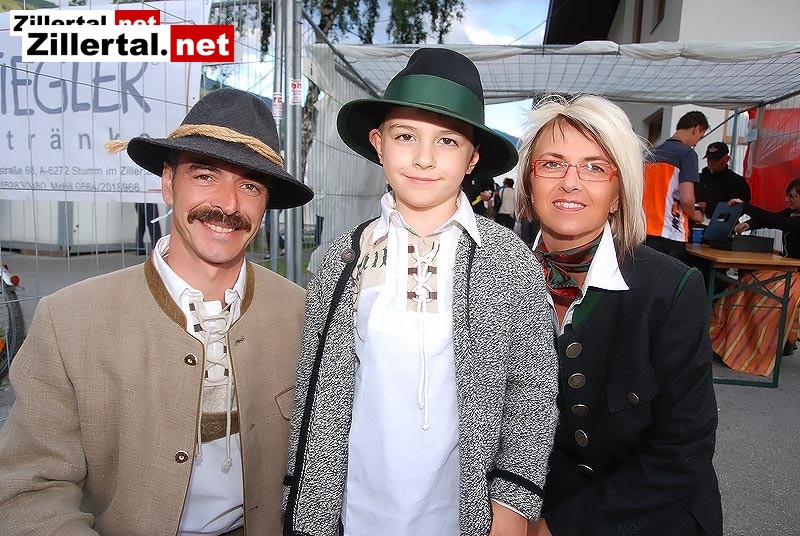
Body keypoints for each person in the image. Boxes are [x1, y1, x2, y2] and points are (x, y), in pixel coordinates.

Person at [0, 88, 314, 535]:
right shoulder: (68, 322)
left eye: (250, 186)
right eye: (205, 175)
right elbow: (31, 489)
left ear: (265, 205)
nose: (228, 204)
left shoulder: (301, 315)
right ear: (168, 183)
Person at [284, 48, 559, 536]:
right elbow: (313, 394)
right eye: (405, 136)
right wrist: (306, 507)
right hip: (357, 512)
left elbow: (532, 393)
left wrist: (514, 505)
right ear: (378, 143)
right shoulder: (342, 259)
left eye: (448, 141)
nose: (424, 158)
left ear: (473, 157)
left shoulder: (509, 262)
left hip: (463, 516)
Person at [516, 95, 722, 536]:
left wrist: (554, 529)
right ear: (529, 186)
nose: (570, 182)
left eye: (594, 167)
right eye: (552, 164)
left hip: (649, 513)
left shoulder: (670, 289)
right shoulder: (494, 279)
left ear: (617, 194)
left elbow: (682, 453)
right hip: (531, 503)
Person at [709, 178, 800, 375]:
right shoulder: (792, 213)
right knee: (744, 284)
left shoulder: (794, 219)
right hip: (787, 268)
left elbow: (780, 222)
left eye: (792, 196)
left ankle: (756, 348)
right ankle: (727, 339)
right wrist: (748, 224)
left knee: (769, 295)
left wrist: (746, 207)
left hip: (796, 274)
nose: (789, 200)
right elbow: (769, 219)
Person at [643, 110, 708, 263]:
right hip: (670, 232)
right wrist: (694, 215)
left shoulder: (651, 153)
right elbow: (686, 198)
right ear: (697, 128)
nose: (696, 143)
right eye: (700, 137)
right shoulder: (687, 154)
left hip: (643, 229)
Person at [695, 141, 751, 219]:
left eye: (716, 159)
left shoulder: (737, 182)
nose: (712, 162)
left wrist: (709, 207)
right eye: (709, 158)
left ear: (726, 159)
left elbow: (739, 207)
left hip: (721, 223)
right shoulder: (698, 178)